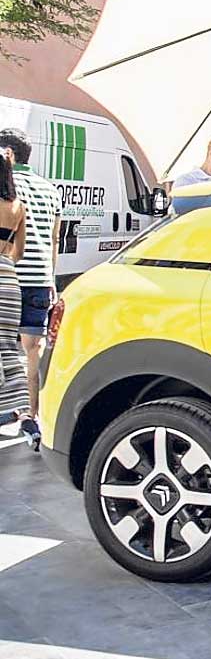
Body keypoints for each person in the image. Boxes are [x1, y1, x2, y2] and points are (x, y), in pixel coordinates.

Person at [0, 128, 58, 451]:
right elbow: (54, 239)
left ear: (7, 153)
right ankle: (31, 415)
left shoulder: (7, 186)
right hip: (39, 278)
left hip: (8, 274)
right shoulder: (50, 189)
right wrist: (51, 278)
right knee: (31, 352)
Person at [0, 143, 31, 448]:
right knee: (9, 348)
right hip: (9, 280)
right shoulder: (18, 207)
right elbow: (19, 252)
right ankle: (22, 412)